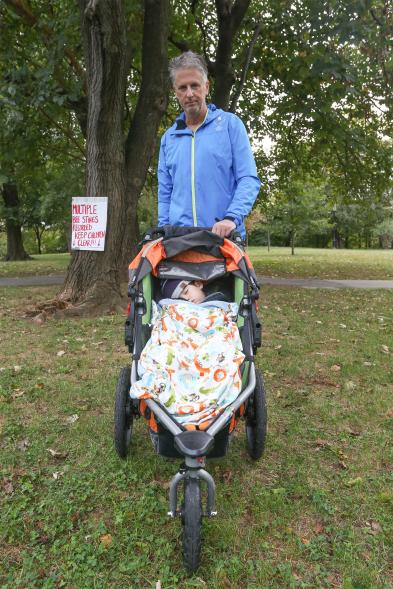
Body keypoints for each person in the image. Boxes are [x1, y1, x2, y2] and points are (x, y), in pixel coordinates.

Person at [158, 51, 261, 239]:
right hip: (179, 242)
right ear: (175, 92)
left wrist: (231, 218)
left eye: (194, 86)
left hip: (224, 239)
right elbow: (165, 191)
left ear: (206, 86)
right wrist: (163, 228)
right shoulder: (168, 138)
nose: (189, 93)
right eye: (182, 87)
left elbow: (248, 178)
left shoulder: (231, 125)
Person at [160, 278, 231, 304]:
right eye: (180, 299)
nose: (186, 299)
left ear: (198, 284)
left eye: (186, 292)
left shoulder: (222, 293)